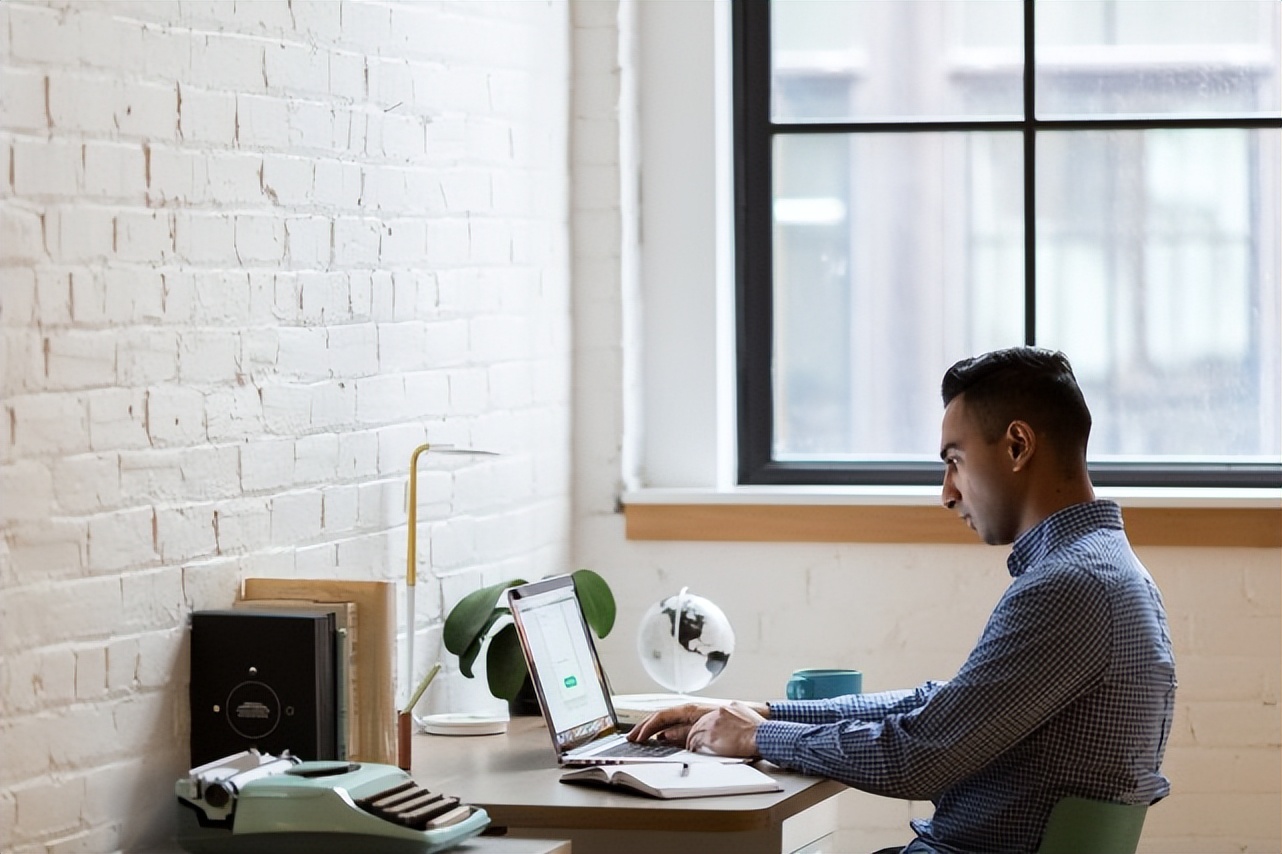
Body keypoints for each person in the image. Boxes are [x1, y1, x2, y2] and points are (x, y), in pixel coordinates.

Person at [628, 347, 1177, 854]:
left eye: (955, 460)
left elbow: (919, 756)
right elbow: (941, 706)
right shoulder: (1103, 572)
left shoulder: (1070, 587)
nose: (947, 492)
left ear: (1017, 446)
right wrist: (766, 713)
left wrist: (758, 736)